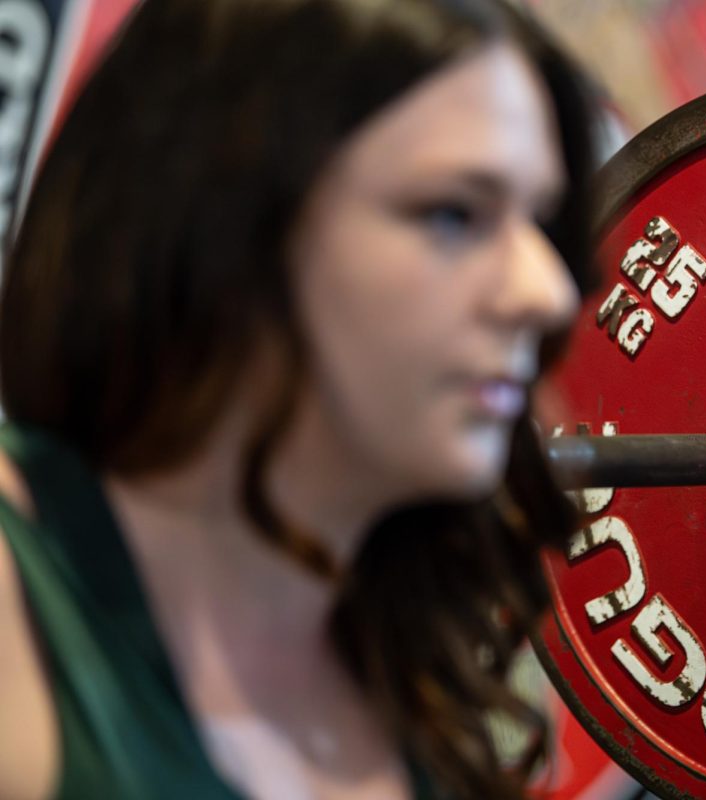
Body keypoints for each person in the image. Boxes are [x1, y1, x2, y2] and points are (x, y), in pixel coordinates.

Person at [0, 0, 598, 797]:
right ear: (225, 220)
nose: (547, 291)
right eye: (454, 214)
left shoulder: (420, 671)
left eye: (539, 221)